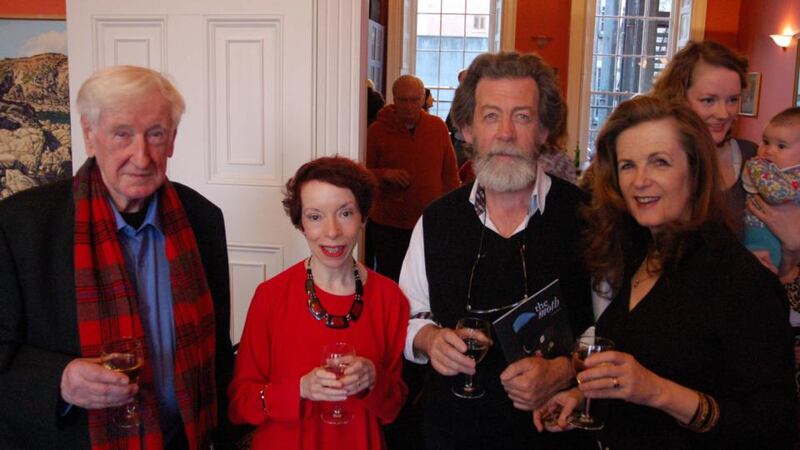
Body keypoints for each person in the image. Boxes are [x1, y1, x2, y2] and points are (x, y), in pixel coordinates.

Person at [534, 95, 795, 449]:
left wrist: (657, 391)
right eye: (628, 165)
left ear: (695, 171)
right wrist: (582, 396)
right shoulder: (640, 251)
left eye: (660, 162)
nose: (640, 181)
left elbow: (772, 427)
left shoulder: (743, 283)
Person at [0, 65, 238, 448]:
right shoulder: (19, 225)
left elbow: (217, 354)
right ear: (89, 135)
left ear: (172, 140)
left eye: (155, 134)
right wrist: (59, 381)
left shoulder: (202, 218)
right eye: (122, 134)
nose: (141, 157)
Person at [401, 51, 594, 449]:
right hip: (453, 431)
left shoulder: (588, 218)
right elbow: (409, 317)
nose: (506, 133)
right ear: (467, 129)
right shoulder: (436, 220)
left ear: (543, 130)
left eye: (522, 117)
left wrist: (566, 370)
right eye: (491, 116)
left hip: (555, 431)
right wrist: (430, 340)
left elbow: (612, 331)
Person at [228, 156, 409, 450]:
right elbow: (241, 403)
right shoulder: (271, 296)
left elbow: (393, 408)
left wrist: (373, 378)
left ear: (363, 217)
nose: (332, 231)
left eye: (345, 213)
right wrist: (299, 390)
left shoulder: (390, 298)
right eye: (315, 217)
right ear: (300, 224)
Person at [366, 74, 460, 282]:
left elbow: (450, 174)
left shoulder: (437, 127)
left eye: (415, 100)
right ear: (394, 99)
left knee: (427, 278)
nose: (409, 107)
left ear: (423, 98)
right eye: (403, 100)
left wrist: (453, 214)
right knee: (391, 278)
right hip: (389, 224)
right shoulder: (377, 130)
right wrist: (384, 174)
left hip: (429, 220)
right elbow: (362, 174)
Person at [743, 107, 800, 269]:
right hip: (756, 235)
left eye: (781, 146)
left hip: (778, 241)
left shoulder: (793, 174)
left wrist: (757, 166)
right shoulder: (767, 167)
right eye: (766, 142)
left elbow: (775, 194)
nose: (768, 150)